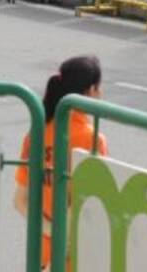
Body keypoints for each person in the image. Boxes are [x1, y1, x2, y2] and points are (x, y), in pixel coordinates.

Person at [14, 56, 106, 270]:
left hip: (40, 253)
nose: (100, 94)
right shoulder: (92, 139)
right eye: (99, 88)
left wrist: (50, 231)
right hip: (75, 255)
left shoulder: (37, 133)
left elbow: (20, 201)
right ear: (91, 90)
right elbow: (89, 204)